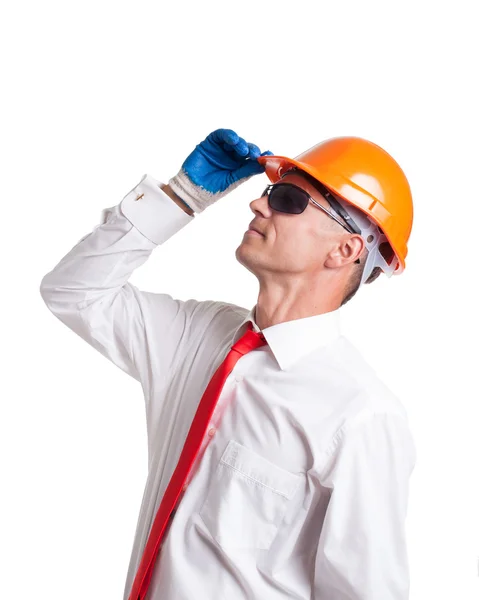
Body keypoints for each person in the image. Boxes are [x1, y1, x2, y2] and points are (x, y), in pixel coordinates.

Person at [39, 128, 416, 599]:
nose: (258, 206)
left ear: (345, 250)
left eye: (288, 200)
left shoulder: (361, 416)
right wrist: (182, 196)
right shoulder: (196, 336)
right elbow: (73, 292)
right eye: (266, 193)